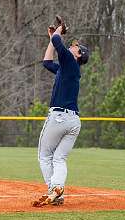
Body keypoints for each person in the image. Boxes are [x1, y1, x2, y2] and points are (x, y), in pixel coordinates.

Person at [32, 25, 89, 207]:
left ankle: (52, 188)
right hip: (73, 121)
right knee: (59, 158)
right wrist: (52, 36)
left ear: (78, 55)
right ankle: (58, 191)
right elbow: (47, 62)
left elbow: (58, 42)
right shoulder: (66, 68)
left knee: (44, 155)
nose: (72, 46)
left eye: (75, 46)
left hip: (59, 117)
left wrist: (57, 31)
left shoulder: (71, 63)